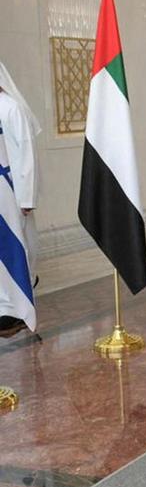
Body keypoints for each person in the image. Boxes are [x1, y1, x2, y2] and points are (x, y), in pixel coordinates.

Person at [0, 61, 40, 334]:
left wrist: (26, 197)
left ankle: (16, 309)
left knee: (15, 246)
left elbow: (26, 153)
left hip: (8, 190)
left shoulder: (11, 108)